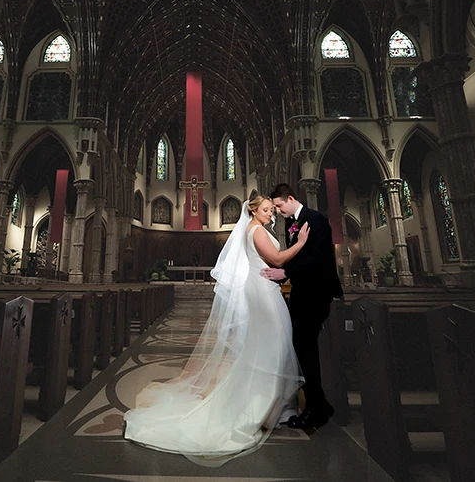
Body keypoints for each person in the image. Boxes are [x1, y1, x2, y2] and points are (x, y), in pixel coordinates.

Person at [123, 192, 309, 465]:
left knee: (270, 348)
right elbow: (278, 259)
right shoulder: (256, 231)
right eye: (267, 209)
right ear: (254, 210)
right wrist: (301, 243)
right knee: (272, 347)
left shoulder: (252, 228)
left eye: (273, 209)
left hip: (264, 291)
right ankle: (261, 409)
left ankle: (271, 408)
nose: (271, 213)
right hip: (264, 296)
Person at [262, 183, 344, 429]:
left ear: (290, 198)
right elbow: (297, 255)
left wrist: (284, 271)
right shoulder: (292, 223)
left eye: (278, 206)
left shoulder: (315, 219)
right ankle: (316, 405)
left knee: (305, 349)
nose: (277, 211)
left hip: (316, 292)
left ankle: (317, 409)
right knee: (301, 348)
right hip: (301, 292)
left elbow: (318, 259)